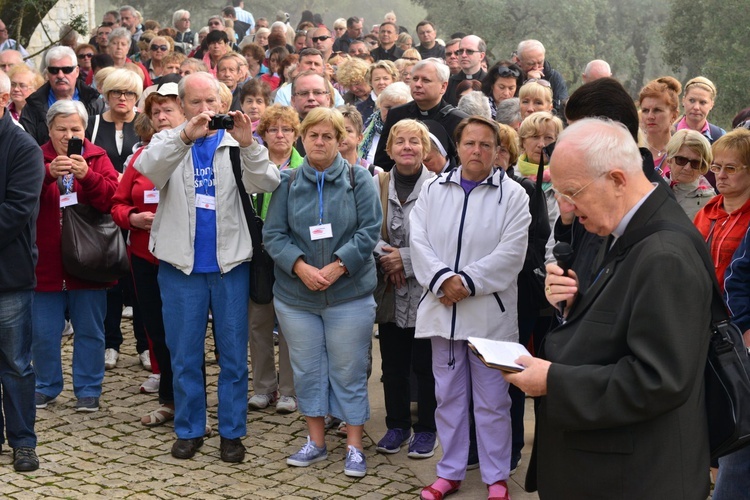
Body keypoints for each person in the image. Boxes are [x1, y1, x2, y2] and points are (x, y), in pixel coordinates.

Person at [505, 118, 713, 499]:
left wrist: (553, 381)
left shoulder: (664, 255)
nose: (565, 206)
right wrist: (573, 304)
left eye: (572, 192)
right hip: (606, 466)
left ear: (617, 180)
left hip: (633, 478)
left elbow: (659, 379)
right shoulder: (623, 227)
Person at [133, 72, 280, 462]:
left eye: (210, 102)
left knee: (233, 356)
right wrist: (185, 136)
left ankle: (232, 433)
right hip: (180, 267)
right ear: (181, 106)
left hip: (229, 265)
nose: (204, 111)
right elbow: (149, 169)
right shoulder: (168, 139)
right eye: (195, 103)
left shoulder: (237, 141)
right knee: (183, 354)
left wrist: (250, 146)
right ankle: (190, 428)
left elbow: (267, 182)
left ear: (222, 102)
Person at [411, 115, 530, 500]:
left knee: (493, 401)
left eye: (485, 144)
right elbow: (419, 241)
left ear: (498, 151)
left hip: (488, 317)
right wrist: (443, 279)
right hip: (442, 309)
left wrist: (465, 282)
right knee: (447, 397)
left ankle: (496, 478)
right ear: (457, 147)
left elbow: (511, 254)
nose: (476, 150)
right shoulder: (433, 188)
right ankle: (450, 472)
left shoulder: (513, 195)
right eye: (469, 143)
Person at [263, 107, 381, 478]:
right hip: (297, 297)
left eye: (328, 136)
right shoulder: (285, 182)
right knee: (308, 371)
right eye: (313, 135)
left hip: (349, 294)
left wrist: (337, 266)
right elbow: (273, 235)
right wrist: (300, 266)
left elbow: (369, 231)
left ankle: (355, 445)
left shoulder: (359, 179)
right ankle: (315, 441)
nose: (320, 142)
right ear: (302, 138)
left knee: (347, 370)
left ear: (339, 141)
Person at [32, 100, 119, 413]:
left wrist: (88, 177)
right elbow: (19, 199)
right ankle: (45, 385)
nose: (68, 135)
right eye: (61, 129)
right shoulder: (34, 156)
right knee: (42, 333)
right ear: (49, 129)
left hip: (89, 261)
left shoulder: (97, 157)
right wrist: (44, 175)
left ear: (84, 130)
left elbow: (112, 200)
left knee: (90, 331)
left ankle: (88, 389)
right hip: (44, 263)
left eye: (75, 129)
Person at [112, 83, 185, 420]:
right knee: (156, 328)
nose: (162, 117)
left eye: (168, 109)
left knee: (184, 332)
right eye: (155, 112)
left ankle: (190, 404)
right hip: (145, 256)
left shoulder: (195, 151)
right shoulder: (141, 157)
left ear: (183, 112)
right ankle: (169, 401)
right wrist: (132, 218)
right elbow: (118, 204)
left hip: (184, 259)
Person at [372, 119, 437, 458]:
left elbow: (443, 239)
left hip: (426, 293)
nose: (407, 147)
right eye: (400, 142)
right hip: (389, 292)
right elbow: (366, 228)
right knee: (393, 365)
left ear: (425, 149)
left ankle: (427, 429)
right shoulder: (376, 183)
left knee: (426, 366)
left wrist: (407, 261)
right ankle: (397, 425)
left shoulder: (440, 188)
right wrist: (388, 259)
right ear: (389, 149)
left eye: (415, 141)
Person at [0, 70, 43, 472]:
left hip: (8, 277)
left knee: (15, 364)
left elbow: (16, 211)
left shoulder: (23, 147)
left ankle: (23, 441)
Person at [246, 104, 301, 414]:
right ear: (263, 134)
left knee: (292, 325)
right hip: (258, 256)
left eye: (287, 129)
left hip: (292, 256)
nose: (280, 135)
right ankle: (264, 387)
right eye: (273, 129)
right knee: (259, 323)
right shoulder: (253, 164)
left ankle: (291, 390)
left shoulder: (304, 167)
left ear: (295, 134)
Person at [375, 58, 468, 171]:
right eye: (415, 79)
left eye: (426, 80)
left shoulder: (458, 120)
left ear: (443, 86)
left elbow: (463, 166)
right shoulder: (397, 114)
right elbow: (382, 161)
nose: (418, 84)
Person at [694, 128, 750, 290]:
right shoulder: (705, 213)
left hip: (739, 312)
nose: (721, 175)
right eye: (717, 167)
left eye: (731, 168)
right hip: (702, 309)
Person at [20, 46, 104, 145]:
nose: (60, 75)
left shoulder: (94, 102)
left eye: (67, 69)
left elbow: (102, 142)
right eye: (54, 70)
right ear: (47, 73)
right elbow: (27, 146)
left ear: (77, 71)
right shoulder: (32, 106)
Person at [517, 111, 563, 230]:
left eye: (548, 138)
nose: (542, 144)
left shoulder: (564, 180)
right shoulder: (510, 177)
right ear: (523, 141)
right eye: (535, 136)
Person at [664, 129, 715, 219]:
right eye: (681, 160)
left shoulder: (710, 203)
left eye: (695, 163)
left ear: (703, 166)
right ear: (669, 160)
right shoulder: (653, 190)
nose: (687, 168)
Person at [638, 76, 682, 177]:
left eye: (657, 110)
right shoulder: (632, 149)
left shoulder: (681, 154)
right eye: (645, 110)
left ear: (674, 115)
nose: (650, 116)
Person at [360, 82, 412, 164]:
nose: (391, 112)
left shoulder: (415, 131)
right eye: (388, 107)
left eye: (398, 108)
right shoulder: (368, 127)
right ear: (379, 104)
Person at [513, 40, 568, 117]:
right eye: (530, 64)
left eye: (540, 63)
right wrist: (529, 83)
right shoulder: (511, 76)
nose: (536, 68)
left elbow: (562, 110)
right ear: (518, 60)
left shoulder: (554, 77)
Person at [677, 76, 726, 144]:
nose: (696, 107)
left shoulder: (720, 137)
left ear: (711, 105)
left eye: (702, 102)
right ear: (683, 100)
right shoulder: (668, 134)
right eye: (692, 100)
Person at [445, 35, 487, 106]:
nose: (463, 55)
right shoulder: (449, 83)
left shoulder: (490, 82)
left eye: (469, 51)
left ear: (481, 56)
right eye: (460, 51)